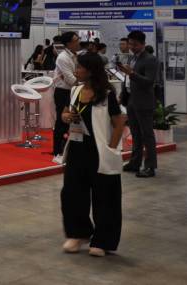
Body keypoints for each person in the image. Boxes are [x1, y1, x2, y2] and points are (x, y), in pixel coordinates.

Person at [60, 53, 127, 257]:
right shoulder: (75, 90)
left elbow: (119, 123)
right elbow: (65, 113)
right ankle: (78, 233)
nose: (76, 71)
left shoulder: (106, 94)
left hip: (99, 152)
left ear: (90, 70)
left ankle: (103, 240)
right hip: (77, 149)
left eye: (79, 67)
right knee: (72, 193)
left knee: (105, 197)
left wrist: (111, 148)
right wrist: (66, 116)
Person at [119, 30, 158, 178]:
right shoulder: (132, 58)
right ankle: (135, 162)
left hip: (144, 101)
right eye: (130, 44)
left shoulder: (150, 59)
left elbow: (149, 82)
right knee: (135, 134)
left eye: (135, 45)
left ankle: (150, 166)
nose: (131, 47)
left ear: (143, 44)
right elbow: (127, 79)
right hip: (131, 99)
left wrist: (131, 74)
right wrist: (123, 92)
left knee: (147, 135)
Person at [52, 32, 80, 164]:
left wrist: (77, 77)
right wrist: (80, 79)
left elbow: (76, 76)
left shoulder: (76, 56)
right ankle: (57, 150)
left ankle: (68, 148)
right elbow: (71, 79)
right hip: (63, 92)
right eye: (76, 40)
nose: (79, 42)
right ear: (69, 43)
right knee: (61, 121)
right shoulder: (63, 57)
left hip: (74, 91)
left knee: (72, 121)